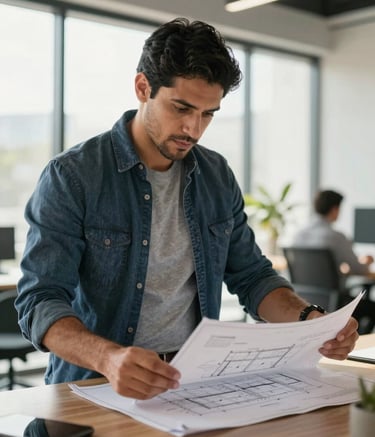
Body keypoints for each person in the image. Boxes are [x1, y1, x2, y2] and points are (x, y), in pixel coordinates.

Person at [16, 18, 358, 401]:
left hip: (192, 384)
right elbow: (39, 299)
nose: (193, 129)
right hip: (94, 385)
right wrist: (110, 358)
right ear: (143, 87)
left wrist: (310, 321)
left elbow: (251, 276)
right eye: (181, 108)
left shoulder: (216, 174)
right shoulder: (74, 175)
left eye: (208, 113)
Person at [293, 190, 374, 275]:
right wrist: (368, 262)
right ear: (334, 209)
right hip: (331, 288)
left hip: (301, 288)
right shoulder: (337, 237)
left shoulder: (299, 235)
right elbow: (358, 269)